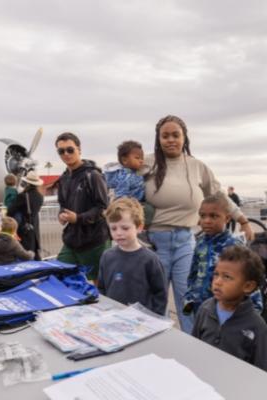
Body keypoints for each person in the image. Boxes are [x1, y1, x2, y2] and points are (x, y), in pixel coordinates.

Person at [142, 115, 253, 334]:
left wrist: (243, 219)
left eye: (176, 135)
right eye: (165, 136)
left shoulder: (196, 166)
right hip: (154, 244)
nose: (170, 140)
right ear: (158, 139)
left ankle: (196, 347)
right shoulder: (146, 163)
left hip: (186, 242)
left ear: (184, 138)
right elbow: (122, 191)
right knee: (156, 300)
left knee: (189, 300)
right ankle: (160, 346)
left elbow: (219, 195)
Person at [183, 194, 261, 316]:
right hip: (201, 307)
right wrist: (189, 298)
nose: (207, 221)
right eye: (203, 216)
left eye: (214, 216)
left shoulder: (235, 246)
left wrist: (254, 311)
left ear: (227, 218)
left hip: (227, 310)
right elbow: (193, 273)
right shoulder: (200, 243)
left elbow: (249, 278)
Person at [192, 246, 267, 371]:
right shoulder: (205, 309)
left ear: (248, 286)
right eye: (216, 275)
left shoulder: (257, 326)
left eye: (227, 277)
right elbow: (194, 346)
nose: (217, 282)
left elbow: (261, 371)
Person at [55, 132, 110, 282]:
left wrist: (78, 218)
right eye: (61, 151)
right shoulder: (64, 178)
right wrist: (61, 214)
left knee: (100, 284)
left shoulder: (93, 175)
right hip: (72, 240)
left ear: (79, 150)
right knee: (58, 275)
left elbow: (103, 208)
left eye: (70, 149)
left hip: (95, 240)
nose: (66, 154)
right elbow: (62, 204)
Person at [98, 198, 167, 315]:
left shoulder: (150, 259)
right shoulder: (107, 256)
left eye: (125, 228)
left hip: (142, 321)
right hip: (112, 317)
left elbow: (160, 293)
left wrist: (155, 318)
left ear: (139, 227)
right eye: (113, 228)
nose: (119, 233)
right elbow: (101, 288)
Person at [104, 140, 154, 227]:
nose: (141, 161)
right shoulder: (125, 176)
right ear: (125, 160)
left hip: (137, 202)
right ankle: (142, 227)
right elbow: (121, 194)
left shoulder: (136, 173)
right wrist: (126, 207)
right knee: (148, 210)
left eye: (142, 158)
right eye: (137, 158)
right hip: (129, 206)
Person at [7, 171, 44, 260]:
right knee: (34, 251)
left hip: (24, 227)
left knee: (24, 253)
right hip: (34, 225)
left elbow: (11, 210)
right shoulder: (40, 196)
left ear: (27, 182)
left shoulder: (23, 196)